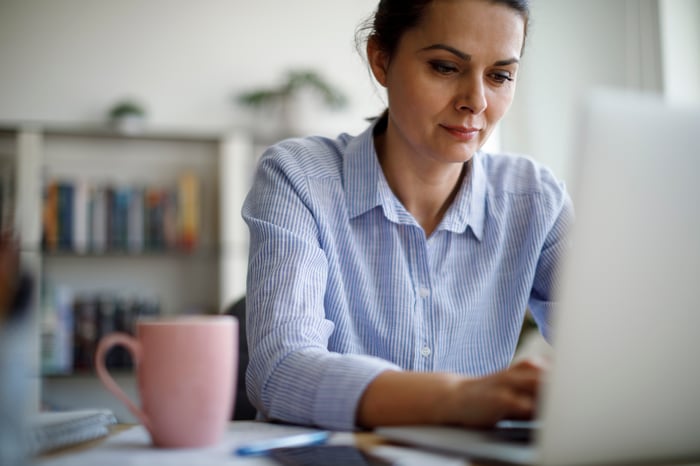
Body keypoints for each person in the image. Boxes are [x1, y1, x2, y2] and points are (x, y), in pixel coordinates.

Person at [242, 0, 573, 431]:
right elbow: (280, 369)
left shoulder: (536, 199)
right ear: (381, 60)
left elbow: (616, 350)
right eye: (445, 67)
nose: (475, 102)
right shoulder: (299, 177)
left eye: (500, 76)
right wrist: (457, 399)